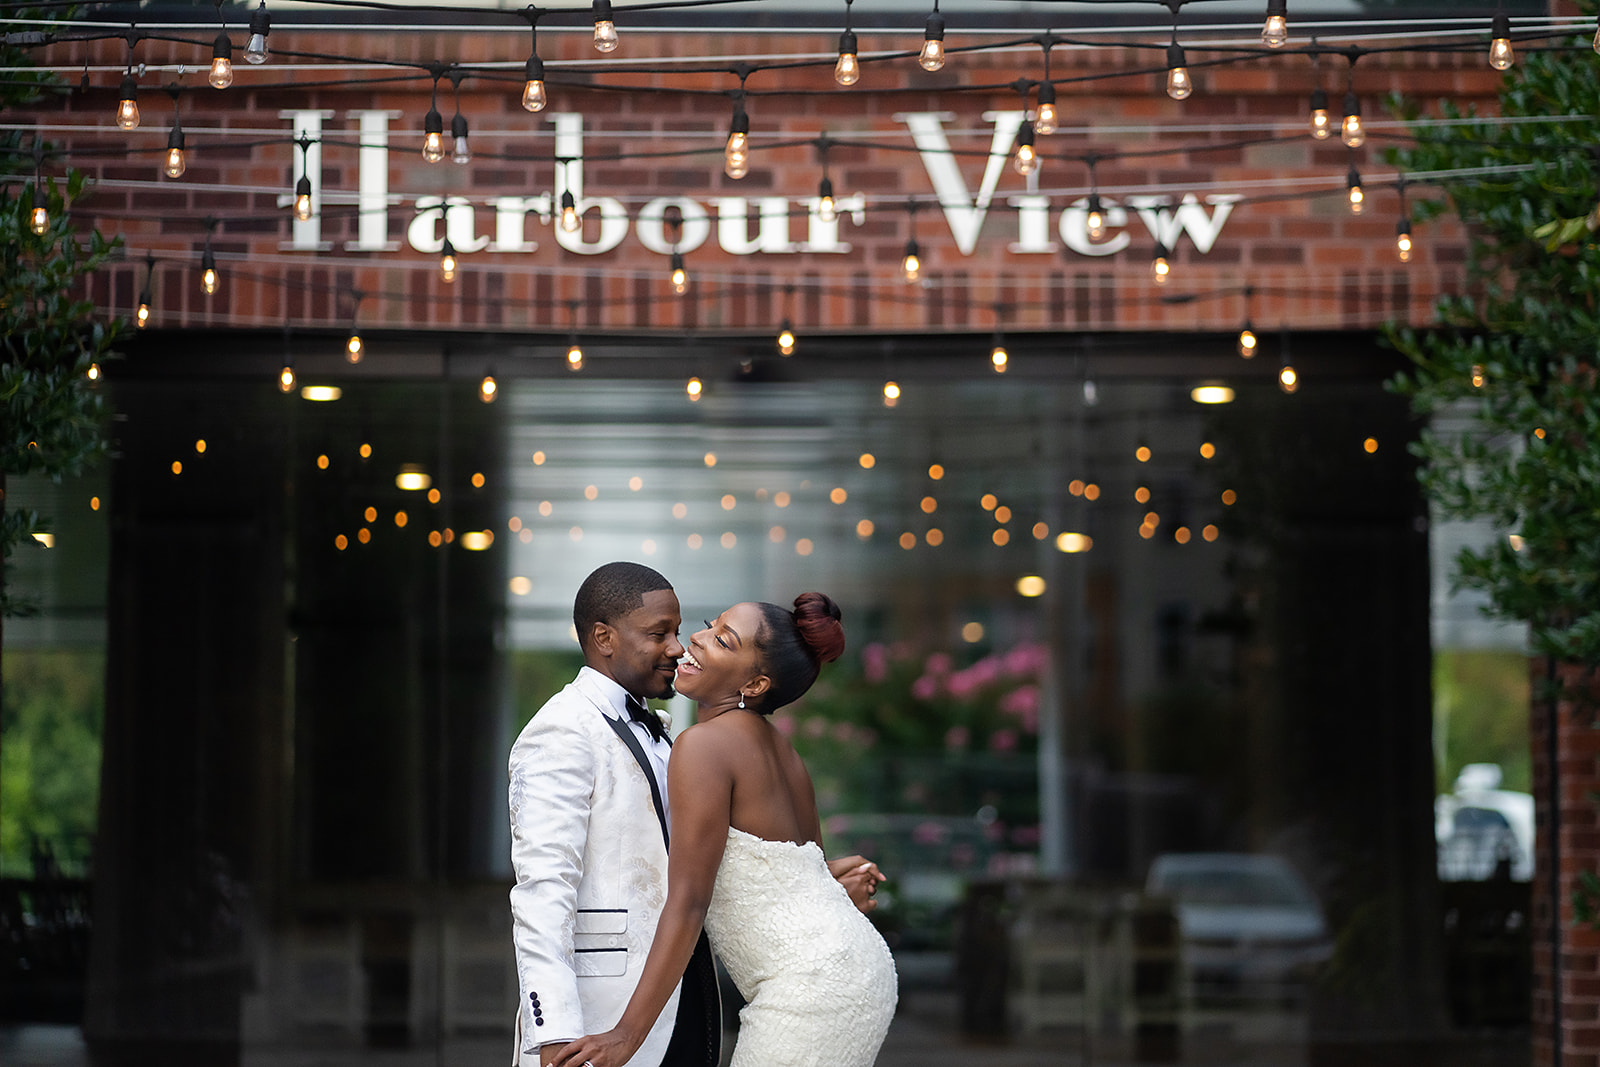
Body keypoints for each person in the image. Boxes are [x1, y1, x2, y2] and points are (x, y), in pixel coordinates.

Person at [509, 565, 882, 1067]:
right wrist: (551, 1024)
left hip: (690, 1000)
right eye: (659, 633)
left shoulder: (696, 742)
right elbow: (543, 891)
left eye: (688, 632)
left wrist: (822, 890)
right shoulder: (563, 730)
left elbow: (705, 880)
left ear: (756, 681)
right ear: (604, 637)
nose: (681, 646)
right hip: (613, 1006)